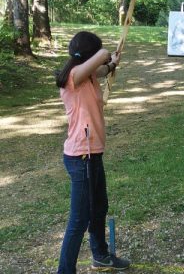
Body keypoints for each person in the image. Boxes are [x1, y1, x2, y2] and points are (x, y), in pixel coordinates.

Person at [55, 31, 130, 273]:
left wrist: (112, 64)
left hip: (92, 154)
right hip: (81, 157)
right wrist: (103, 54)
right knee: (78, 220)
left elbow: (101, 69)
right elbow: (97, 60)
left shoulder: (88, 76)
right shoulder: (73, 77)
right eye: (95, 53)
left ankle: (100, 255)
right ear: (89, 54)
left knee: (99, 208)